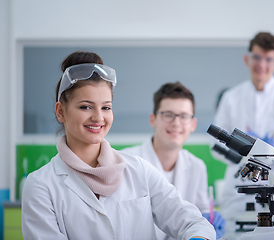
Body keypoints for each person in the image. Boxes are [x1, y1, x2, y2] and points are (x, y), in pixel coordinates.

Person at [21, 51, 216, 240]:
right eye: (85, 107)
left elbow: (192, 222)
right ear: (61, 111)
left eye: (106, 107)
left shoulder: (139, 170)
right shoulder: (41, 185)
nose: (98, 117)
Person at [213, 32, 274, 235]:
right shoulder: (231, 98)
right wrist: (243, 151)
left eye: (269, 59)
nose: (262, 64)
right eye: (257, 57)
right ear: (247, 59)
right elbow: (215, 145)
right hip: (239, 190)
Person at [121, 82, 225, 240]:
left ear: (193, 124)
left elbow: (201, 213)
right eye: (168, 115)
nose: (176, 123)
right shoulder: (126, 163)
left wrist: (208, 222)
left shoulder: (196, 166)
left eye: (183, 116)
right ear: (153, 119)